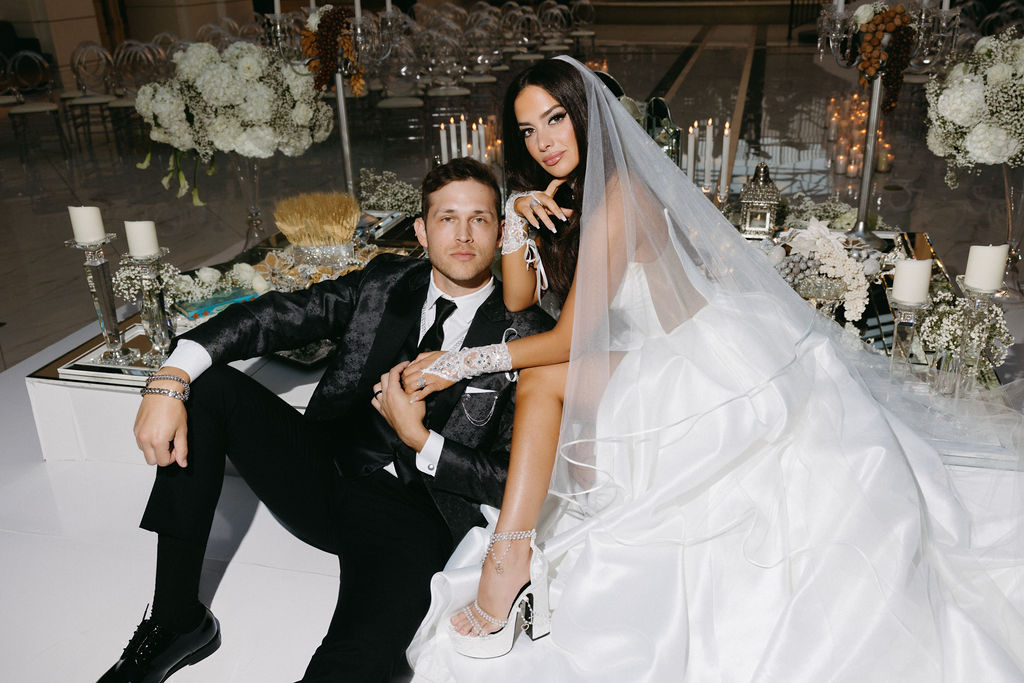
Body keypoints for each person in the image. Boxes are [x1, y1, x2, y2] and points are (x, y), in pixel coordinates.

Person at [401, 57, 1024, 680]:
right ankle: (513, 558)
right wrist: (515, 215)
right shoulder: (568, 193)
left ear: (587, 115)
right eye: (528, 130)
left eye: (556, 118)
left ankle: (509, 560)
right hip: (643, 353)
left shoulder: (620, 196)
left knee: (541, 379)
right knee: (545, 392)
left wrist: (461, 362)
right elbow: (517, 299)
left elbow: (570, 338)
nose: (544, 141)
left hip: (691, 359)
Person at [97, 158, 553, 683]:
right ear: (422, 232)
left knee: (352, 666)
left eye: (479, 219)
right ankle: (177, 619)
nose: (464, 235)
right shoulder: (385, 282)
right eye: (447, 218)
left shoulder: (527, 335)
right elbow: (273, 316)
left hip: (415, 514)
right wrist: (170, 376)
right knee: (207, 385)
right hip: (324, 470)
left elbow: (515, 479)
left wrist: (420, 439)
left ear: (501, 231)